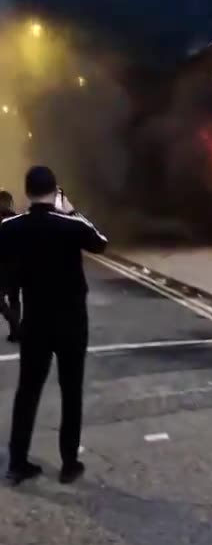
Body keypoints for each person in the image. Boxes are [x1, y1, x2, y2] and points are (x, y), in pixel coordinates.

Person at [0, 166, 108, 485]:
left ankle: (17, 461)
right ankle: (68, 463)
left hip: (35, 319)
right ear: (54, 190)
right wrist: (71, 209)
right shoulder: (70, 225)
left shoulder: (10, 227)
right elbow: (101, 242)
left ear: (27, 192)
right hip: (72, 321)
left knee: (28, 391)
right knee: (70, 390)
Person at [0, 190, 21, 343]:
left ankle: (16, 328)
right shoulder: (17, 219)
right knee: (14, 299)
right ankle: (15, 332)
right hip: (16, 266)